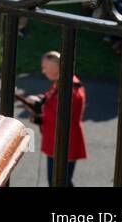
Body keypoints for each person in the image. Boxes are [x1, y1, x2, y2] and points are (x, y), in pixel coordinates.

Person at [22, 50, 87, 185]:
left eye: (45, 67)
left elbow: (61, 116)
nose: (43, 71)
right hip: (57, 142)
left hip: (64, 144)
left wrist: (38, 110)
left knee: (58, 182)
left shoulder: (70, 89)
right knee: (59, 181)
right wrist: (39, 101)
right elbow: (51, 99)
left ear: (56, 68)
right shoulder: (63, 82)